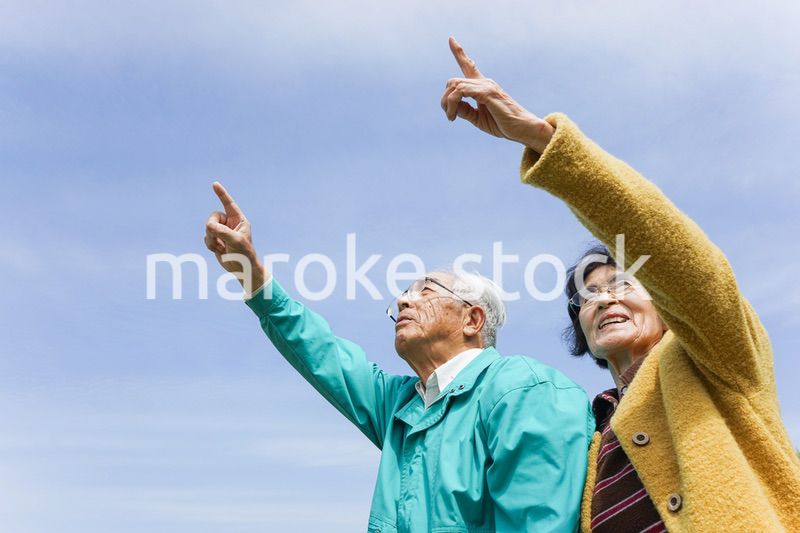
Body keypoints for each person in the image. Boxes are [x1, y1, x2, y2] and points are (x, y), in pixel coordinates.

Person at [441, 37, 800, 531]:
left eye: (624, 282)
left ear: (666, 298)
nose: (604, 296)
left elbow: (679, 257)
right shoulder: (594, 435)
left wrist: (544, 142)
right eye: (586, 295)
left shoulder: (717, 357)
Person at [203, 182, 593, 532]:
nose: (404, 299)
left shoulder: (525, 390)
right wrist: (247, 268)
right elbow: (319, 350)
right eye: (404, 294)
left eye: (427, 290)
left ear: (472, 319)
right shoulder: (402, 405)